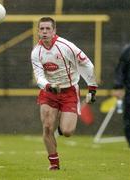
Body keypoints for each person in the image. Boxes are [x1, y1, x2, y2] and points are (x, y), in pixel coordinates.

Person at [31, 17, 98, 170]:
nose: (45, 32)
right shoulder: (36, 52)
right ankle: (54, 164)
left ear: (54, 31)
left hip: (69, 91)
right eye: (42, 29)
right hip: (49, 92)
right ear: (38, 32)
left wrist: (92, 87)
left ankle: (62, 125)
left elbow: (86, 64)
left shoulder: (66, 46)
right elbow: (39, 76)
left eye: (48, 29)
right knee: (47, 127)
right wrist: (48, 86)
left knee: (67, 132)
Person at [113, 44, 130, 147]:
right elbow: (120, 70)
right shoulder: (127, 51)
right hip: (129, 92)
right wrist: (118, 86)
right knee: (128, 120)